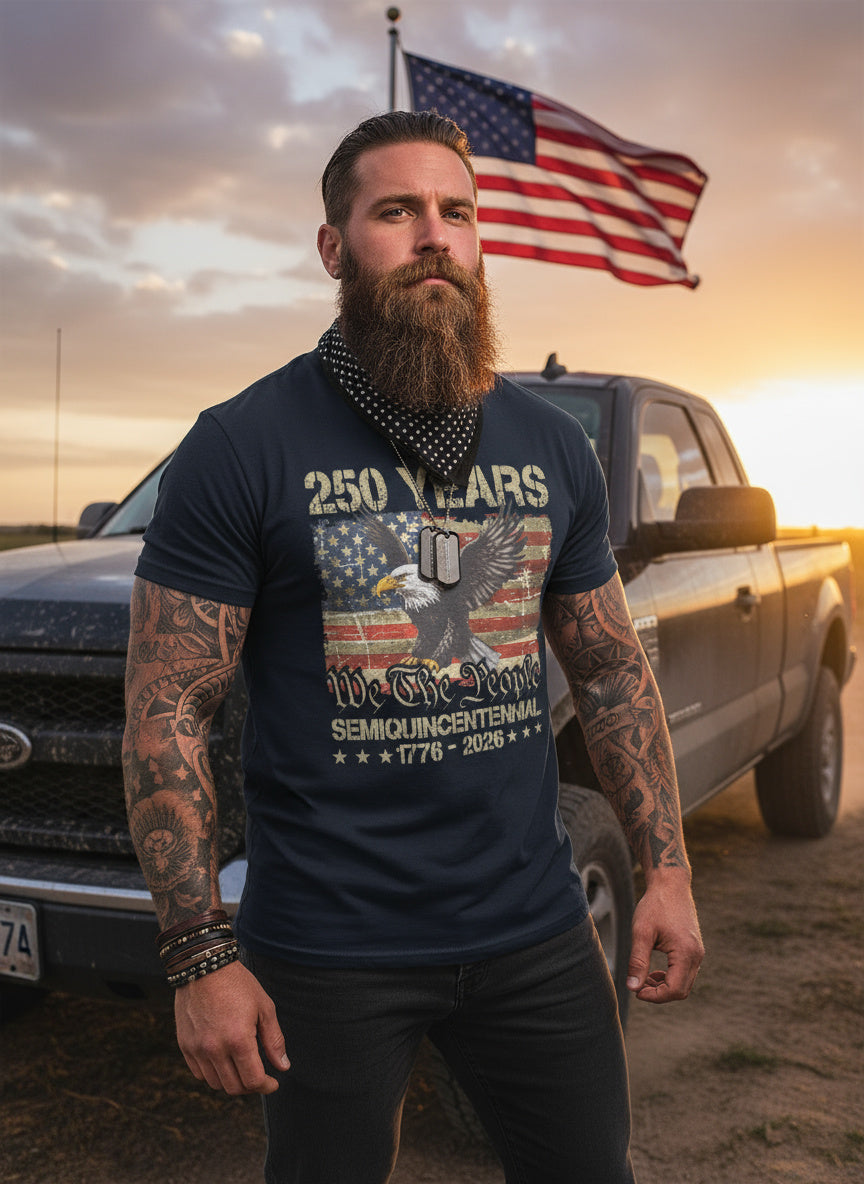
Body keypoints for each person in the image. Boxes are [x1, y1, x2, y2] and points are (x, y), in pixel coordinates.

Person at [122, 110, 704, 1184]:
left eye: (458, 211)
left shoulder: (550, 449)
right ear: (336, 248)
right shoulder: (241, 447)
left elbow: (612, 666)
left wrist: (663, 866)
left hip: (531, 925)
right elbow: (169, 708)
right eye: (397, 210)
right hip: (328, 945)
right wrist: (200, 952)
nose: (436, 234)